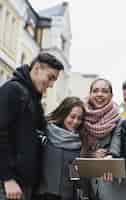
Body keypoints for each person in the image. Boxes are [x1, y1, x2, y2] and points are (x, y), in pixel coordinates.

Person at [0, 53, 64, 200]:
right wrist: (7, 178)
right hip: (10, 185)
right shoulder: (13, 90)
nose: (52, 84)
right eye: (50, 77)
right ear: (37, 69)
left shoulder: (32, 97)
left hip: (24, 184)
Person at [81, 78, 126, 200]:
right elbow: (74, 151)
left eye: (104, 91)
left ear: (111, 95)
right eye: (95, 91)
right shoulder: (80, 118)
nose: (99, 94)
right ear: (90, 94)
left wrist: (111, 157)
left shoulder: (120, 121)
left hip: (113, 186)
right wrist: (91, 155)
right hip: (86, 185)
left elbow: (116, 147)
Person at [38, 97, 85, 200]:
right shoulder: (46, 132)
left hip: (67, 196)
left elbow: (74, 173)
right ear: (63, 114)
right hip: (43, 194)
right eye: (72, 117)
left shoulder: (78, 142)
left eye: (80, 118)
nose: (76, 121)